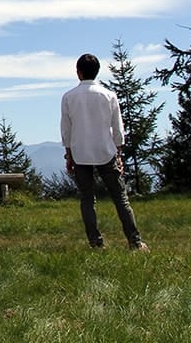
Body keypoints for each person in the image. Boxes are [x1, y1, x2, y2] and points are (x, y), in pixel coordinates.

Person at [60, 53, 149, 251]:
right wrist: (118, 152)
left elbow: (66, 129)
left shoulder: (68, 97)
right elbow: (117, 128)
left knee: (87, 200)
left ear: (78, 72)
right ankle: (134, 241)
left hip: (80, 152)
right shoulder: (109, 95)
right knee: (120, 198)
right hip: (105, 152)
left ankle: (96, 242)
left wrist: (68, 154)